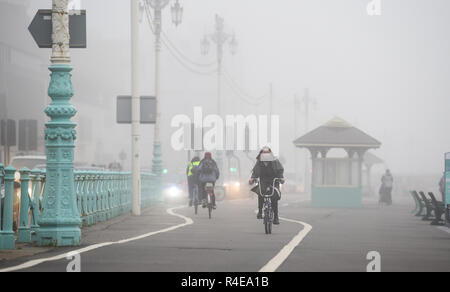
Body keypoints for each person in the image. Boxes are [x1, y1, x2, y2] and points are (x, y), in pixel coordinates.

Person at [249, 147, 285, 225]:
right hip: (263, 181)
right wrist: (252, 178)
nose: (265, 154)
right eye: (264, 153)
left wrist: (281, 178)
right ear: (261, 153)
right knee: (260, 193)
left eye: (267, 153)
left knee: (274, 198)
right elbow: (255, 172)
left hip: (273, 181)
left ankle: (276, 217)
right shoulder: (259, 162)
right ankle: (260, 211)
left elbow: (280, 170)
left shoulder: (275, 161)